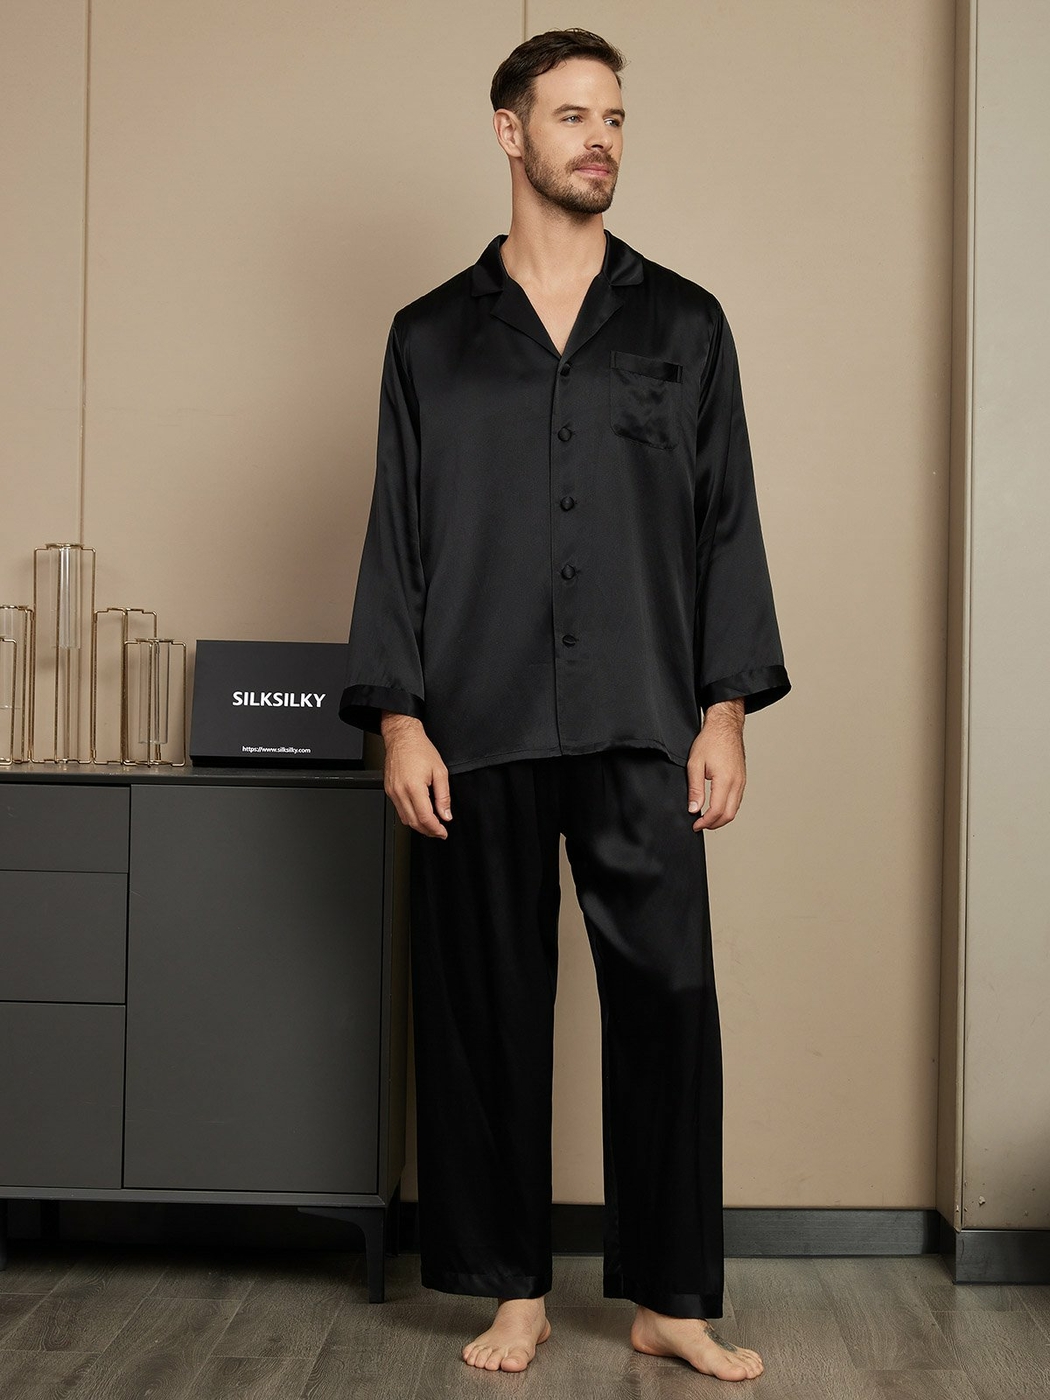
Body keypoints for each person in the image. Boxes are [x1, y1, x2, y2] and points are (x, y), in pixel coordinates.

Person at [339, 28, 789, 1383]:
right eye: (573, 115)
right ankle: (512, 1291)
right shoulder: (428, 337)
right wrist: (399, 719)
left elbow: (724, 525)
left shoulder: (684, 324)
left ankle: (670, 1299)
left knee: (669, 1003)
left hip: (643, 711)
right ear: (509, 132)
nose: (600, 139)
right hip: (472, 722)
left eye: (614, 118)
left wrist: (725, 709)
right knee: (483, 1007)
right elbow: (397, 536)